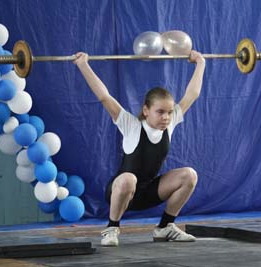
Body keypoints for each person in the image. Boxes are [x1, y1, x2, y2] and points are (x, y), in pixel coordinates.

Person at [74, 50, 205, 247]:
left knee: (189, 175)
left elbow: (192, 94)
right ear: (146, 110)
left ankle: (165, 227)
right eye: (160, 112)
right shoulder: (132, 125)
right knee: (129, 177)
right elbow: (104, 96)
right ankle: (112, 228)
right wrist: (83, 65)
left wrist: (200, 63)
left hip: (148, 192)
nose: (166, 117)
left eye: (169, 112)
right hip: (121, 191)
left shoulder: (169, 125)